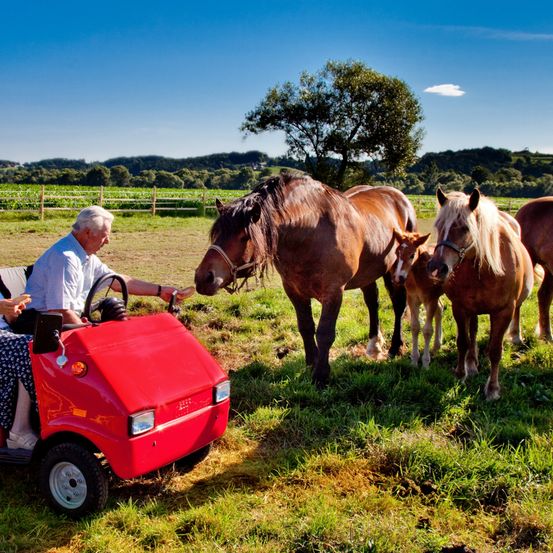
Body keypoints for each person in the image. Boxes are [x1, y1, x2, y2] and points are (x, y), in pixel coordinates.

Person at [14, 205, 194, 332]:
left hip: (64, 320)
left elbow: (117, 281)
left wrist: (160, 291)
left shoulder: (85, 255)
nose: (107, 241)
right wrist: (88, 335)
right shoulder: (65, 258)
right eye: (104, 236)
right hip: (39, 326)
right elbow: (60, 311)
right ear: (87, 233)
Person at [0, 292, 37, 450]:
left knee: (47, 340)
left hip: (6, 333)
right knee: (29, 346)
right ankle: (19, 430)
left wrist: (12, 310)